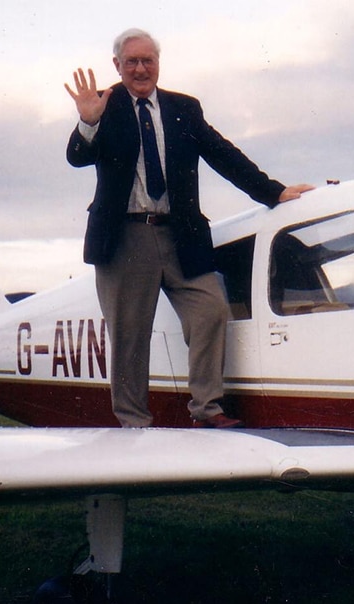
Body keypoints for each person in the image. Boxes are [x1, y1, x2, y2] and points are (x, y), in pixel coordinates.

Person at [65, 28, 313, 429]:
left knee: (211, 311)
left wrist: (275, 192)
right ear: (117, 66)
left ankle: (207, 409)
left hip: (182, 235)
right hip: (125, 238)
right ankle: (133, 422)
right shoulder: (103, 106)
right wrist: (87, 123)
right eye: (132, 62)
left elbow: (223, 155)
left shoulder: (185, 108)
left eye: (148, 60)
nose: (141, 69)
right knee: (130, 334)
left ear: (158, 64)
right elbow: (77, 157)